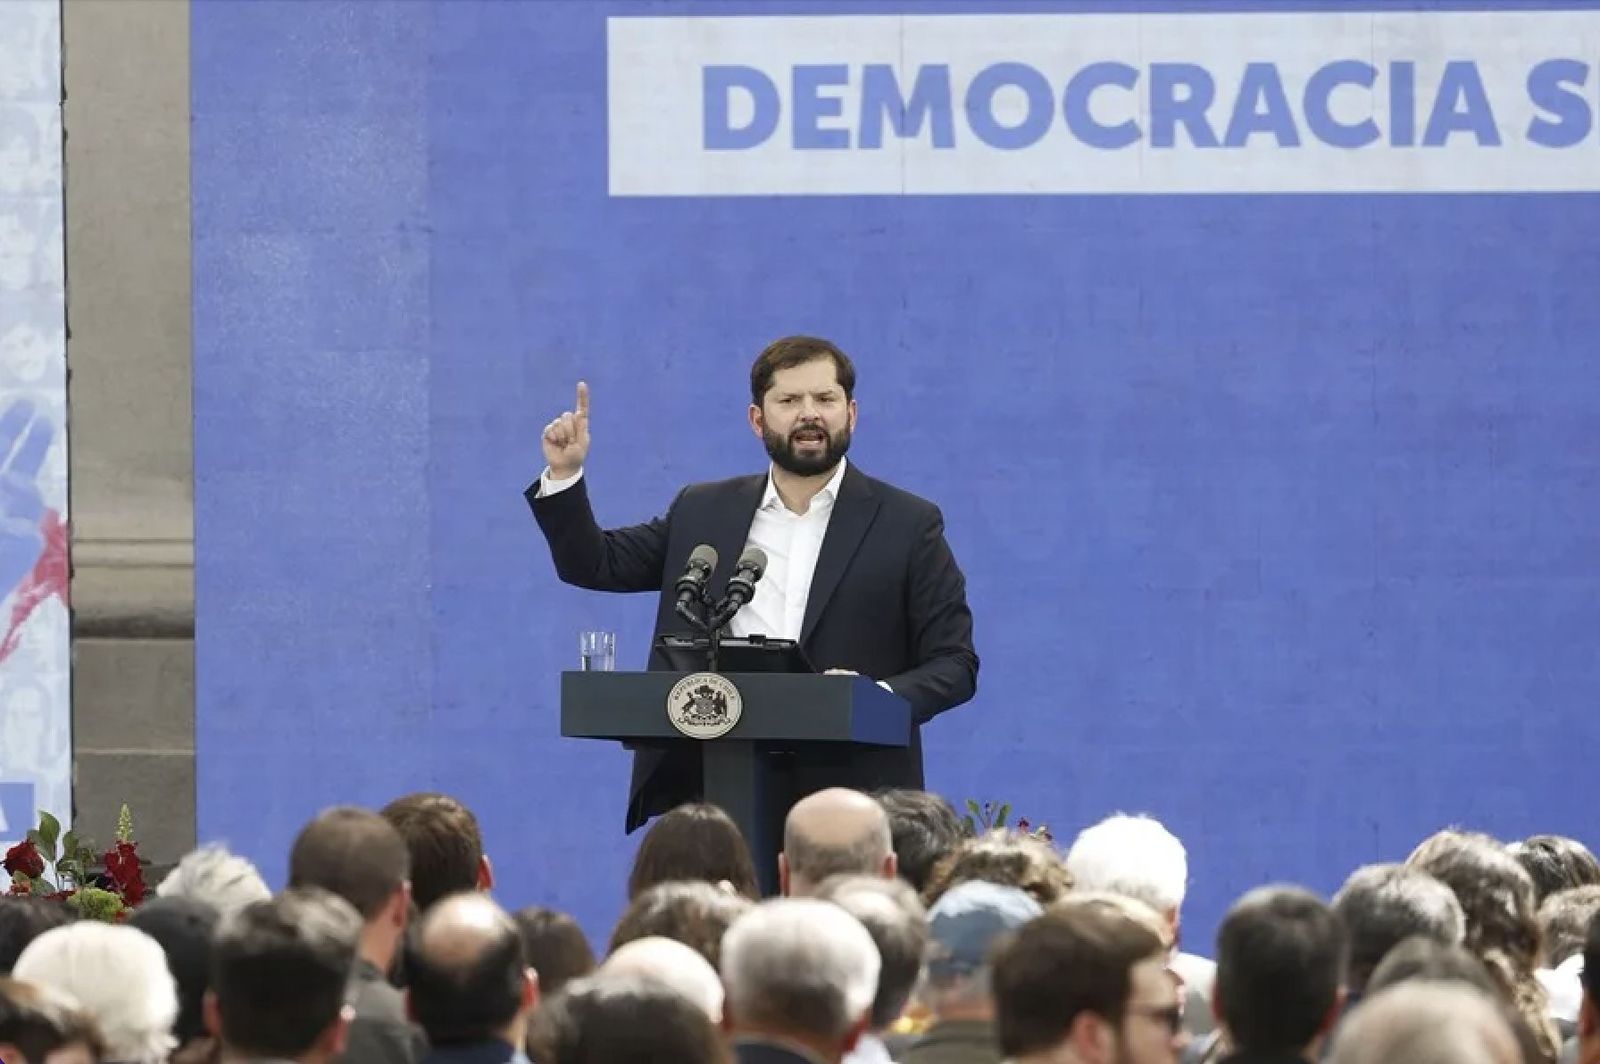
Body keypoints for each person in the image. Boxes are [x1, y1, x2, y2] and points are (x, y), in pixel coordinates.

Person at [528, 336, 979, 828]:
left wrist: (874, 697)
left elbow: (955, 664)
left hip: (856, 795)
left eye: (824, 399)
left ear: (851, 413)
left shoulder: (908, 523)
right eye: (789, 400)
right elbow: (595, 563)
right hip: (716, 785)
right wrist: (565, 475)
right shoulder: (704, 510)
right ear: (757, 419)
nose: (809, 414)